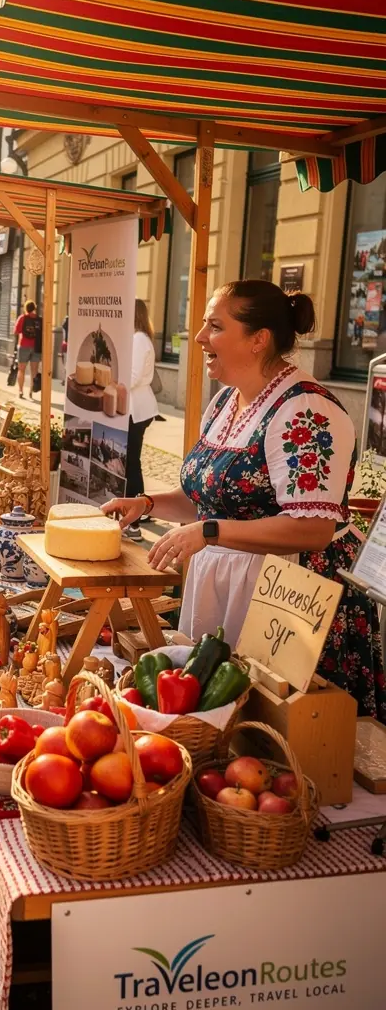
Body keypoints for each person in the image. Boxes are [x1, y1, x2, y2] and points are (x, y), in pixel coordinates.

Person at [103, 279, 385, 721]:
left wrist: (210, 532)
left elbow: (313, 529)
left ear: (258, 340)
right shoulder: (224, 403)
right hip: (230, 587)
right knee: (217, 724)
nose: (198, 338)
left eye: (215, 327)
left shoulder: (308, 412)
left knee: (285, 743)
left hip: (292, 598)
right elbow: (212, 499)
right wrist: (148, 504)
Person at [124, 299, 159, 540]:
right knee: (131, 462)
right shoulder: (141, 338)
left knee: (130, 464)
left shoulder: (138, 339)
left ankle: (134, 522)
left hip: (135, 408)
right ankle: (137, 512)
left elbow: (132, 377)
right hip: (137, 407)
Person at [15, 301, 43, 399]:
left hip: (24, 346)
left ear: (26, 308)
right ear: (35, 308)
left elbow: (16, 331)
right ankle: (31, 391)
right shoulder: (40, 320)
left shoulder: (22, 318)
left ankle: (21, 391)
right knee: (34, 371)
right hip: (36, 347)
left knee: (21, 369)